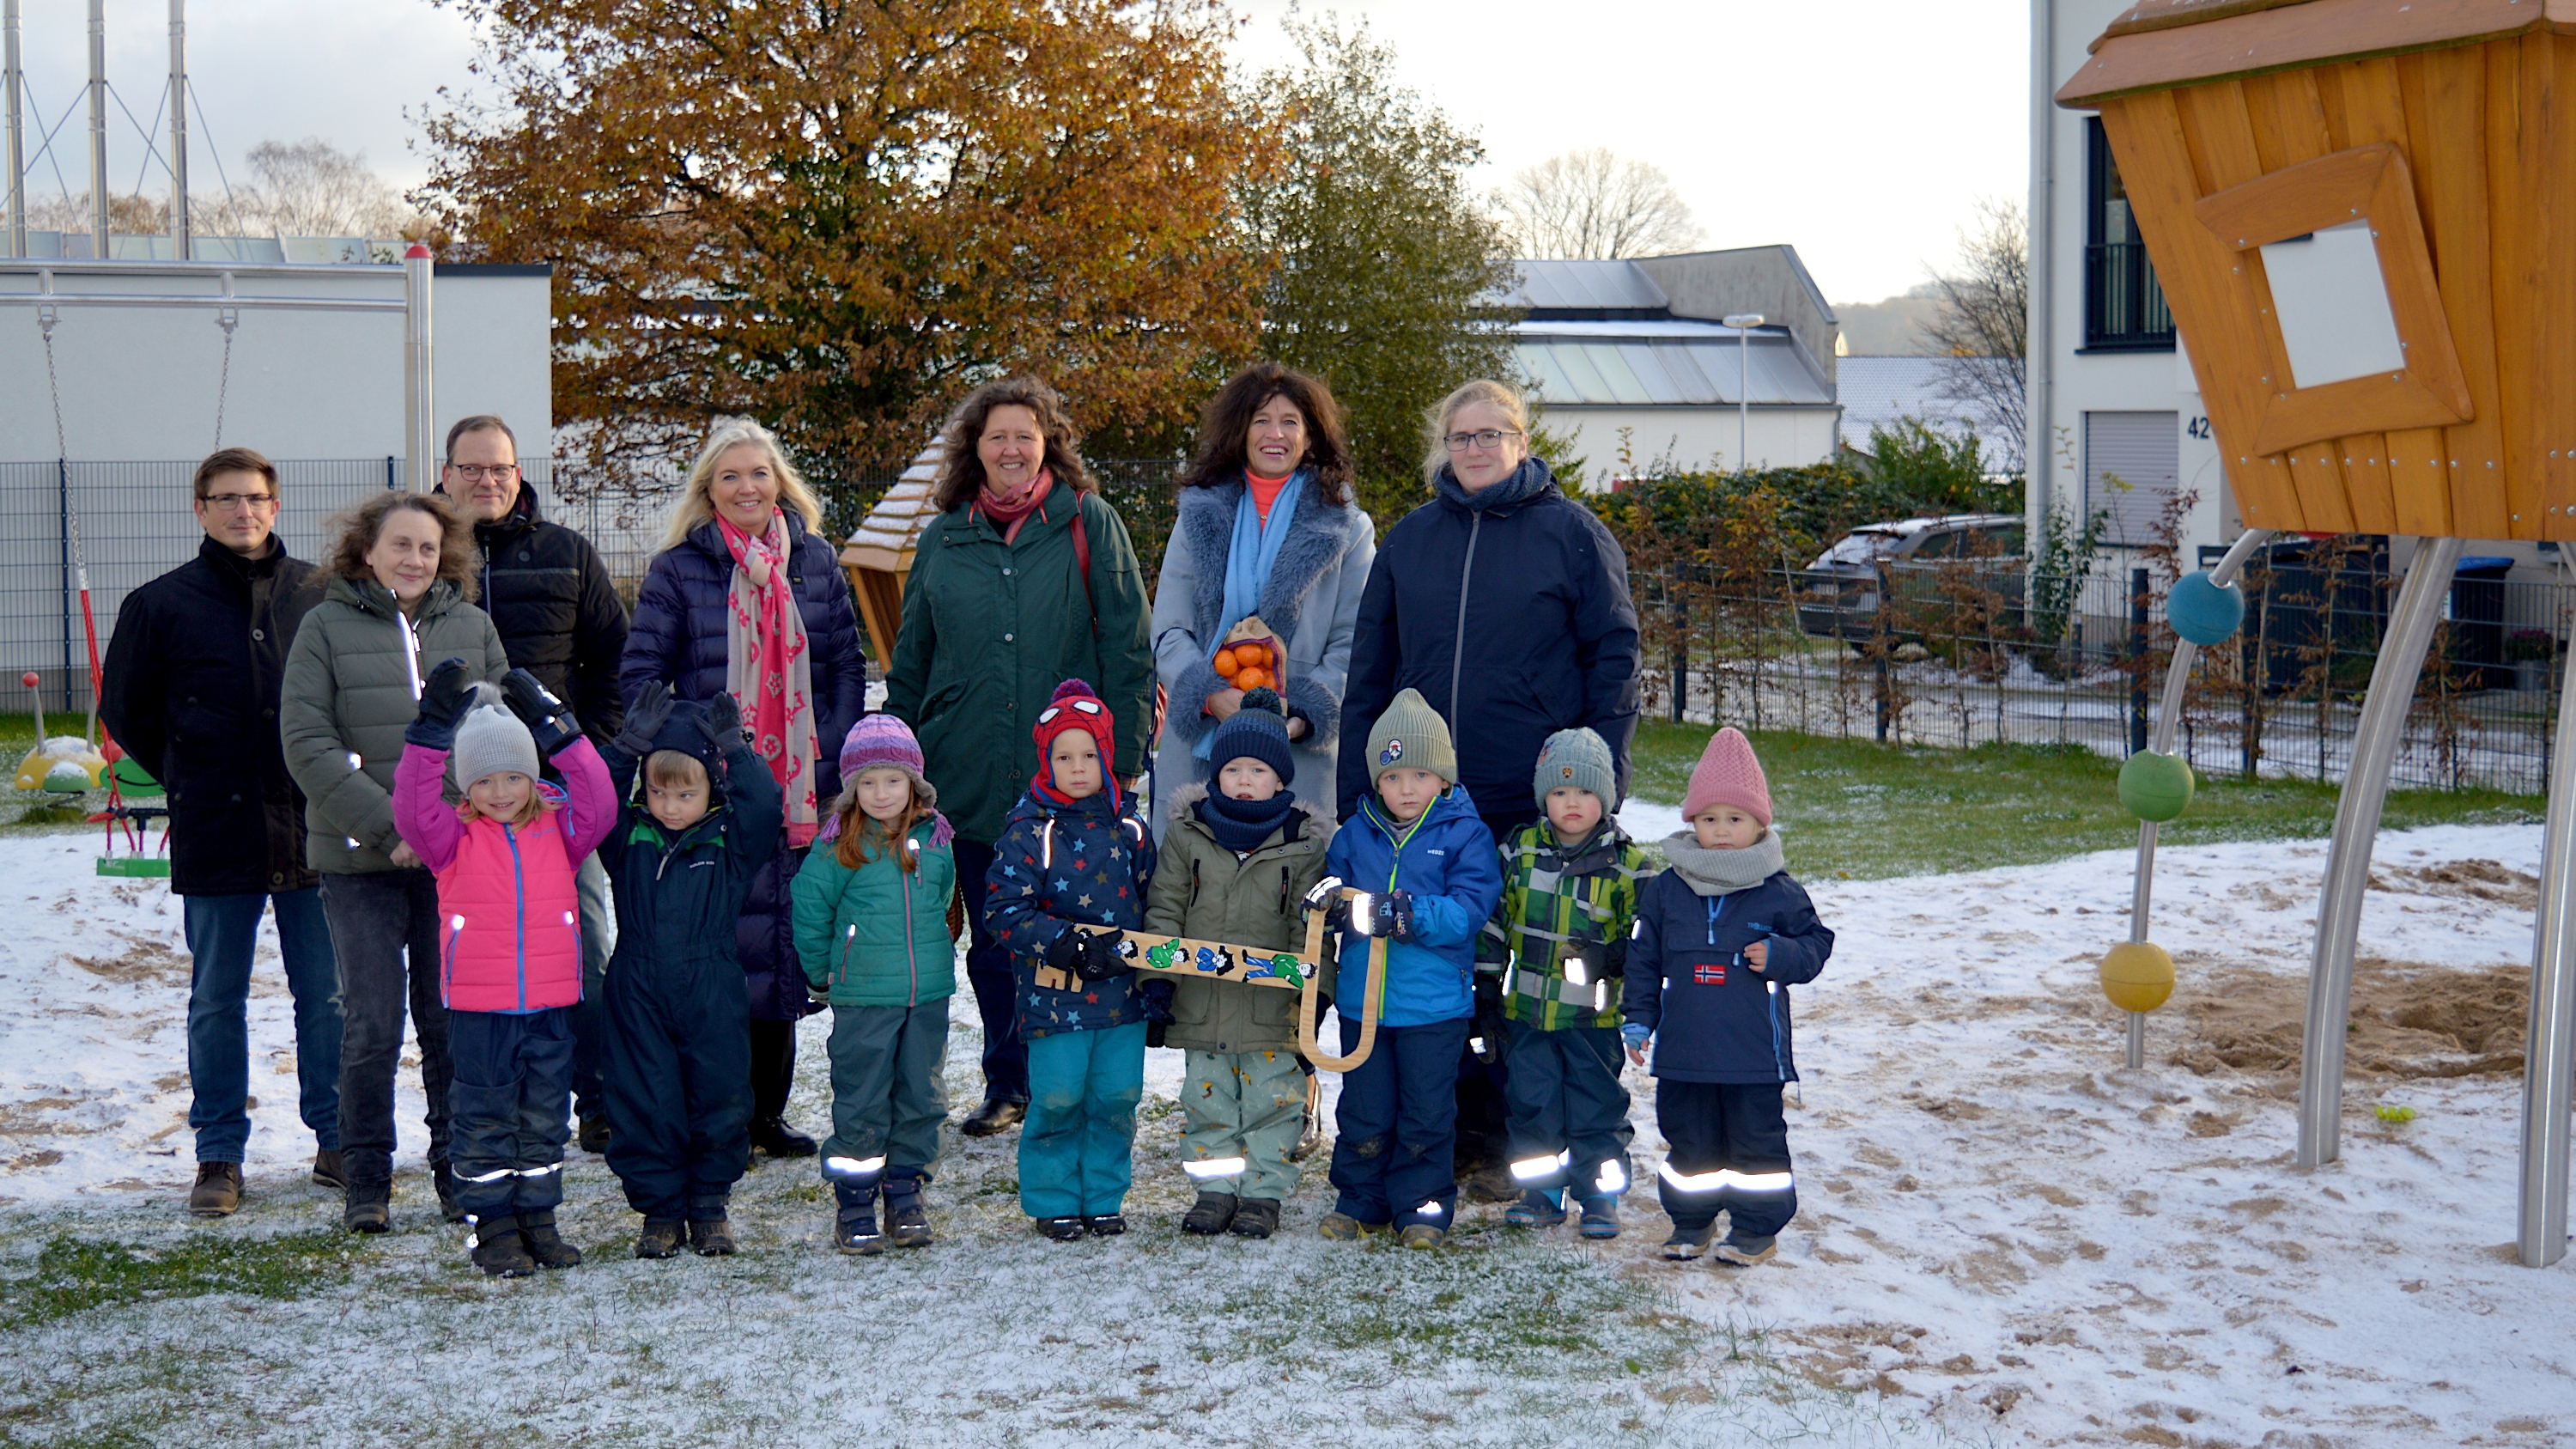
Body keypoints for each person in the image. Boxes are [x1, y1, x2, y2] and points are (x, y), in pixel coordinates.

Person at [1334, 377, 1642, 1202]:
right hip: (1421, 808)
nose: (1475, 449)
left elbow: (1614, 660)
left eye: (1491, 434)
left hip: (1529, 801)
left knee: (1524, 977)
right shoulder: (1411, 542)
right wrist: (1350, 802)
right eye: (1461, 436)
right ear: (1445, 445)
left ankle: (1531, 1137)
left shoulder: (1572, 535)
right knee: (1445, 973)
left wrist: (1598, 779)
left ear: (1520, 439)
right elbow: (1370, 673)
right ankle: (1459, 1138)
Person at [883, 378, 1155, 1140]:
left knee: (1072, 933)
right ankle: (1010, 1082)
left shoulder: (1087, 523)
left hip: (1069, 785)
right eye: (997, 435)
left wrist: (1123, 763)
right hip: (964, 775)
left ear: (1048, 444)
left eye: (1025, 436)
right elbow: (911, 660)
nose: (1011, 449)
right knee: (997, 942)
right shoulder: (943, 536)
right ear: (975, 446)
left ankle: (1067, 1079)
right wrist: (894, 761)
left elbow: (1130, 649)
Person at [100, 447, 343, 1218]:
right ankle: (219, 1157)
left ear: (277, 505)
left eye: (256, 497)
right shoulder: (159, 603)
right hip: (218, 826)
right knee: (216, 997)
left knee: (328, 994)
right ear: (199, 507)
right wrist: (186, 772)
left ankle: (340, 1139)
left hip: (315, 824)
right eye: (227, 497)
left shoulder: (323, 593)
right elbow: (127, 709)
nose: (244, 510)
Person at [621, 417, 867, 1160]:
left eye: (759, 473)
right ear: (709, 491)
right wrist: (702, 752)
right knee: (722, 957)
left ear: (779, 482)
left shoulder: (817, 561)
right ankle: (714, 1114)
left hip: (798, 793)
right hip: (714, 801)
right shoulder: (677, 570)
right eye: (730, 476)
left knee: (782, 956)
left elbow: (847, 664)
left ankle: (767, 1113)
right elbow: (641, 679)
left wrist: (827, 756)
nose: (746, 487)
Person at [280, 490, 509, 1233]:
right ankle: (367, 1180)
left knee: (449, 1021)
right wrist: (389, 826)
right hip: (359, 863)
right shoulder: (323, 627)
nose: (415, 559)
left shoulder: (472, 626)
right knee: (372, 1024)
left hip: (454, 862)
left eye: (428, 547)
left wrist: (456, 827)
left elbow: (502, 730)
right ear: (366, 551)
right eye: (400, 545)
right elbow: (307, 742)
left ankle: (457, 1170)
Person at [435, 415, 631, 1155]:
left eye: (501, 468)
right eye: (472, 468)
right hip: (459, 805)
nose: (488, 480)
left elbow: (614, 656)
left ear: (520, 473)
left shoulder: (565, 553)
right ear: (447, 472)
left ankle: (597, 1096)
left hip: (550, 802)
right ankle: (475, 1114)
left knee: (582, 947)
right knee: (464, 963)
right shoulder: (425, 552)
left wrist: (592, 748)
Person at [390, 667, 615, 1275]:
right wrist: (429, 733)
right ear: (466, 784)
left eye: (514, 775)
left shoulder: (559, 827)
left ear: (533, 773)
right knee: (486, 1118)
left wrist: (558, 729)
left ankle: (538, 1217)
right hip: (480, 1009)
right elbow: (410, 809)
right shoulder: (452, 837)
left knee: (544, 1116)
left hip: (549, 1003)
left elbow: (602, 798)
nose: (500, 790)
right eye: (485, 780)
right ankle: (492, 1227)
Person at [1623, 728, 1834, 1266]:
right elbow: (1644, 961)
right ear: (1691, 822)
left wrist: (1781, 955)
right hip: (1684, 1053)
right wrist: (1638, 1021)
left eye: (1735, 819)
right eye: (1709, 819)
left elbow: (1816, 943)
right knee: (1689, 1140)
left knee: (1755, 1144)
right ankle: (1691, 1223)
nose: (1721, 831)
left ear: (1760, 824)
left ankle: (1755, 1229)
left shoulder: (1778, 890)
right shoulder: (1667, 890)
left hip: (1752, 1056)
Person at [1150, 362, 1376, 837]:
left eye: (1290, 422)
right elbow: (1169, 630)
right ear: (1240, 432)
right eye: (1261, 420)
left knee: (1291, 896)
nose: (1276, 433)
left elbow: (1356, 641)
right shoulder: (1198, 516)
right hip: (1199, 750)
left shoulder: (1349, 528)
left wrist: (1300, 715)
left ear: (1310, 437)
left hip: (1298, 751)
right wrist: (1211, 696)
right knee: (1187, 896)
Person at [1142, 688, 1334, 1241]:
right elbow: (1165, 908)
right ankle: (1215, 1189)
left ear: (1280, 779)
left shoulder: (1302, 845)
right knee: (1209, 1099)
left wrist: (1313, 994)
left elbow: (1311, 927)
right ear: (1215, 774)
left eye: (1257, 769)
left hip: (1271, 1006)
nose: (1244, 780)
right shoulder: (1188, 834)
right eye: (1232, 769)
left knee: (1274, 1101)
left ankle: (1264, 1192)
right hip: (1202, 1001)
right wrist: (1157, 979)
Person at [596, 684, 780, 1259]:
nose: (671, 805)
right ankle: (660, 1211)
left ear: (710, 788)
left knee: (718, 1093)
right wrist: (626, 746)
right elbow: (595, 797)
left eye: (685, 792)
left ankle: (708, 1205)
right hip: (638, 986)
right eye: (659, 791)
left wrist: (737, 749)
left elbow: (766, 807)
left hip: (711, 986)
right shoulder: (628, 838)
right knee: (645, 1097)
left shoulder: (728, 841)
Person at [1316, 690, 1502, 1249]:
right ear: (1377, 780)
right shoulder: (1354, 833)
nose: (1405, 789)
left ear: (1442, 779)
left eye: (1418, 775)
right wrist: (1329, 907)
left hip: (1433, 1007)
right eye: (1393, 776)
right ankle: (1360, 1199)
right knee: (1366, 1107)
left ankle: (1421, 1207)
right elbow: (1341, 899)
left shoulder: (1465, 834)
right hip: (1364, 1002)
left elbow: (1470, 909)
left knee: (1425, 1111)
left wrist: (1409, 912)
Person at [982, 679, 1157, 1241]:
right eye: (1064, 756)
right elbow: (1003, 911)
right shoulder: (1028, 832)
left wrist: (1157, 973)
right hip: (1053, 996)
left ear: (1105, 758)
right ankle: (1054, 1198)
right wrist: (1066, 943)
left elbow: (1160, 904)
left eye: (1088, 755)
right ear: (1046, 760)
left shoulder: (1130, 830)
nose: (1077, 766)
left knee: (1116, 1095)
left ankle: (1103, 1195)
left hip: (1121, 1000)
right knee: (1058, 1096)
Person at [791, 715, 958, 1256]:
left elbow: (943, 899)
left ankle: (906, 1194)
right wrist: (823, 972)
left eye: (893, 780)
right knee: (862, 1096)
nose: (881, 793)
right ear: (851, 789)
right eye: (867, 783)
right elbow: (810, 909)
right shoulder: (840, 844)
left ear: (915, 784)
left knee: (921, 1093)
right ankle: (856, 1200)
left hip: (925, 994)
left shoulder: (935, 837)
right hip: (864, 994)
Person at [1477, 727, 1651, 1240]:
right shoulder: (1518, 854)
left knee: (1596, 1106)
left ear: (1607, 798)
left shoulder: (1628, 867)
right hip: (1527, 1012)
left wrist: (1617, 956)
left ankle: (1599, 1195)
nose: (1571, 803)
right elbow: (1493, 925)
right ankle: (1542, 1191)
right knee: (1532, 1104)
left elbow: (1648, 939)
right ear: (1543, 797)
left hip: (1592, 1019)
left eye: (1584, 792)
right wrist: (1486, 991)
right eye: (1559, 792)